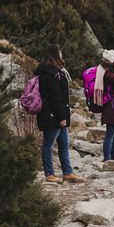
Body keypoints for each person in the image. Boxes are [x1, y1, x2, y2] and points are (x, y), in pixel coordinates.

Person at [36, 44, 82, 184]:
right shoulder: (51, 74)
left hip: (55, 114)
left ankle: (67, 172)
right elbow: (56, 98)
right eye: (60, 53)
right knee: (48, 144)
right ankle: (49, 174)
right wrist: (62, 117)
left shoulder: (55, 72)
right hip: (53, 116)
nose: (62, 55)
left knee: (64, 143)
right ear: (55, 55)